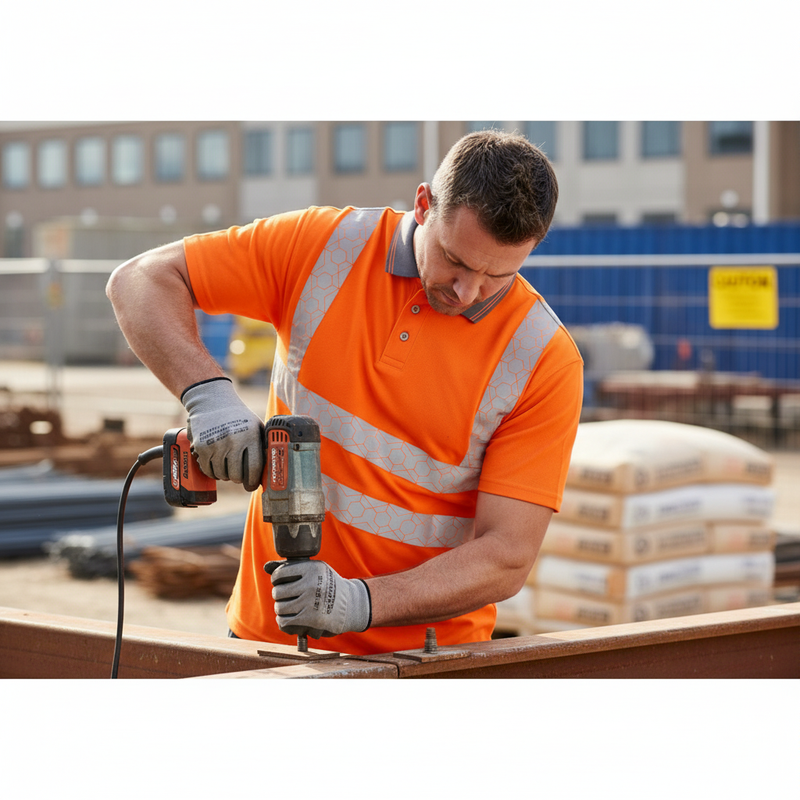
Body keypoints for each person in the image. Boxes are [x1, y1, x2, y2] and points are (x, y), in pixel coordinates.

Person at [106, 129, 584, 655]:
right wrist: (208, 397)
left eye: (498, 274)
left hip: (427, 660)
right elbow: (140, 280)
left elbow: (506, 556)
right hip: (269, 639)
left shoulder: (542, 359)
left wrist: (360, 603)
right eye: (456, 260)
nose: (468, 290)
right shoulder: (326, 248)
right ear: (423, 205)